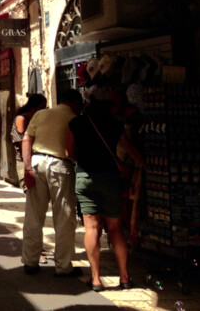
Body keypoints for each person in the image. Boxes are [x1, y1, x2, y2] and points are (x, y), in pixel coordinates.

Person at [67, 96, 145, 292]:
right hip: (110, 178)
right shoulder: (114, 123)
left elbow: (68, 152)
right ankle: (125, 277)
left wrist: (85, 159)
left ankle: (95, 279)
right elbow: (128, 149)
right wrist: (143, 163)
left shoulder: (76, 123)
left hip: (86, 177)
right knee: (115, 228)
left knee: (91, 227)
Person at [21, 89, 84, 277]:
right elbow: (71, 150)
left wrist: (27, 168)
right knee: (64, 216)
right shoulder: (74, 118)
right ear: (75, 103)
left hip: (37, 162)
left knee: (33, 214)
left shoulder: (41, 114)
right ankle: (63, 266)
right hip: (60, 165)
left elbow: (26, 139)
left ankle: (30, 261)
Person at [12, 94, 48, 188]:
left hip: (34, 158)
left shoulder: (36, 119)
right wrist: (27, 166)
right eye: (41, 107)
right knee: (29, 188)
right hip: (23, 160)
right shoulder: (22, 119)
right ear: (33, 107)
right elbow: (23, 142)